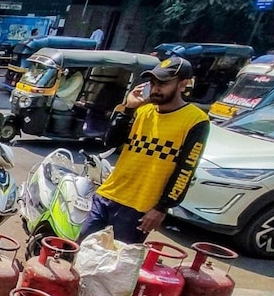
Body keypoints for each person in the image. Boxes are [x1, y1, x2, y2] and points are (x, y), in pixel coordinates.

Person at [80, 56, 208, 244]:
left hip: (139, 207)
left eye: (163, 83)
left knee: (117, 263)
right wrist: (128, 109)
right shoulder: (142, 110)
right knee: (81, 247)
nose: (156, 88)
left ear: (183, 84)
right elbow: (111, 141)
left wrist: (161, 208)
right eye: (153, 82)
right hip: (109, 194)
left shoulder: (195, 120)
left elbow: (185, 171)